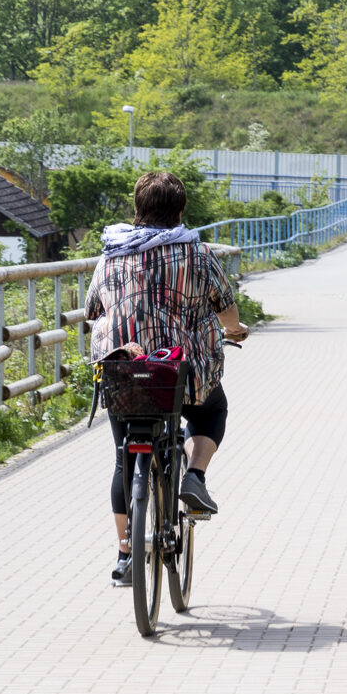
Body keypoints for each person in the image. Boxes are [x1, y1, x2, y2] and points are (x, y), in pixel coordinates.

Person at [85, 171, 249, 586]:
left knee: (125, 458)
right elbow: (225, 306)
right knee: (212, 409)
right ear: (180, 211)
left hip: (125, 370)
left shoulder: (110, 253)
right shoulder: (197, 253)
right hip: (181, 371)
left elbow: (92, 310)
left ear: (137, 209)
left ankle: (125, 555)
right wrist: (234, 329)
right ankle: (194, 476)